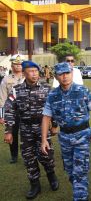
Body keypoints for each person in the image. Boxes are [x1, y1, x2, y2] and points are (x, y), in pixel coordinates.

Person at [40, 62, 91, 201]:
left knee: (80, 172)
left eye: (67, 73)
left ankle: (80, 197)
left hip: (82, 136)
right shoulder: (52, 95)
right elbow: (46, 117)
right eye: (61, 74)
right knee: (70, 171)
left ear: (72, 73)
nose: (65, 76)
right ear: (56, 76)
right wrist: (44, 139)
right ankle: (80, 190)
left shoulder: (84, 91)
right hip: (65, 138)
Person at [3, 61, 58, 199]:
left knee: (46, 155)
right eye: (31, 71)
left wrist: (55, 125)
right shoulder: (16, 90)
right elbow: (9, 110)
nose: (34, 73)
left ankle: (52, 176)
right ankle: (35, 184)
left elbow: (54, 108)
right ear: (24, 73)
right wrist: (9, 131)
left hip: (42, 128)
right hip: (25, 128)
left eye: (36, 71)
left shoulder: (46, 88)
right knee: (29, 158)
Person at [0, 54, 25, 163]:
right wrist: (2, 116)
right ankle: (14, 156)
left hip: (26, 111)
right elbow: (2, 98)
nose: (19, 66)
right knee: (12, 133)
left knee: (26, 134)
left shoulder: (28, 76)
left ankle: (27, 155)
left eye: (20, 64)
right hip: (12, 112)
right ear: (12, 65)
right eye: (16, 64)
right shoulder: (6, 79)